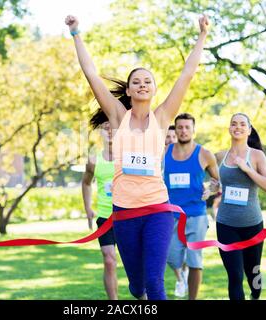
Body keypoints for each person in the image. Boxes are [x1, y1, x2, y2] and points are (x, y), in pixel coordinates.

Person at [66, 14, 209, 300]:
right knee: (137, 287)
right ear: (129, 90)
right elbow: (92, 74)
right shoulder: (118, 117)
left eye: (148, 81)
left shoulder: (163, 116)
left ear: (154, 89)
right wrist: (75, 33)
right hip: (124, 213)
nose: (143, 85)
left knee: (155, 283)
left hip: (157, 210)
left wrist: (202, 36)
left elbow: (187, 74)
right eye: (137, 82)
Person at [215, 113, 266, 300]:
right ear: (229, 129)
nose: (237, 127)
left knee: (254, 271)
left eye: (242, 124)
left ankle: (256, 294)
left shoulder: (257, 155)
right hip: (226, 224)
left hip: (252, 225)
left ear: (248, 130)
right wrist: (210, 189)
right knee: (235, 276)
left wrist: (247, 169)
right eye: (233, 124)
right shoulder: (221, 156)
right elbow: (216, 182)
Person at [164, 113, 220, 299]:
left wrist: (211, 190)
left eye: (187, 127)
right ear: (175, 129)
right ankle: (181, 276)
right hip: (171, 216)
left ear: (194, 130)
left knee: (195, 261)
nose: (183, 130)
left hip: (196, 215)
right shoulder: (164, 153)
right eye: (180, 127)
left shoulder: (204, 154)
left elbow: (217, 182)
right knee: (171, 257)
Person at [82, 120, 118, 300]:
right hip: (105, 217)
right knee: (109, 260)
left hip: (128, 216)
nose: (109, 132)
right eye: (105, 129)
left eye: (113, 128)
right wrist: (88, 208)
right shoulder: (94, 159)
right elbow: (86, 183)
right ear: (100, 133)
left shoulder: (128, 155)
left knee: (135, 263)